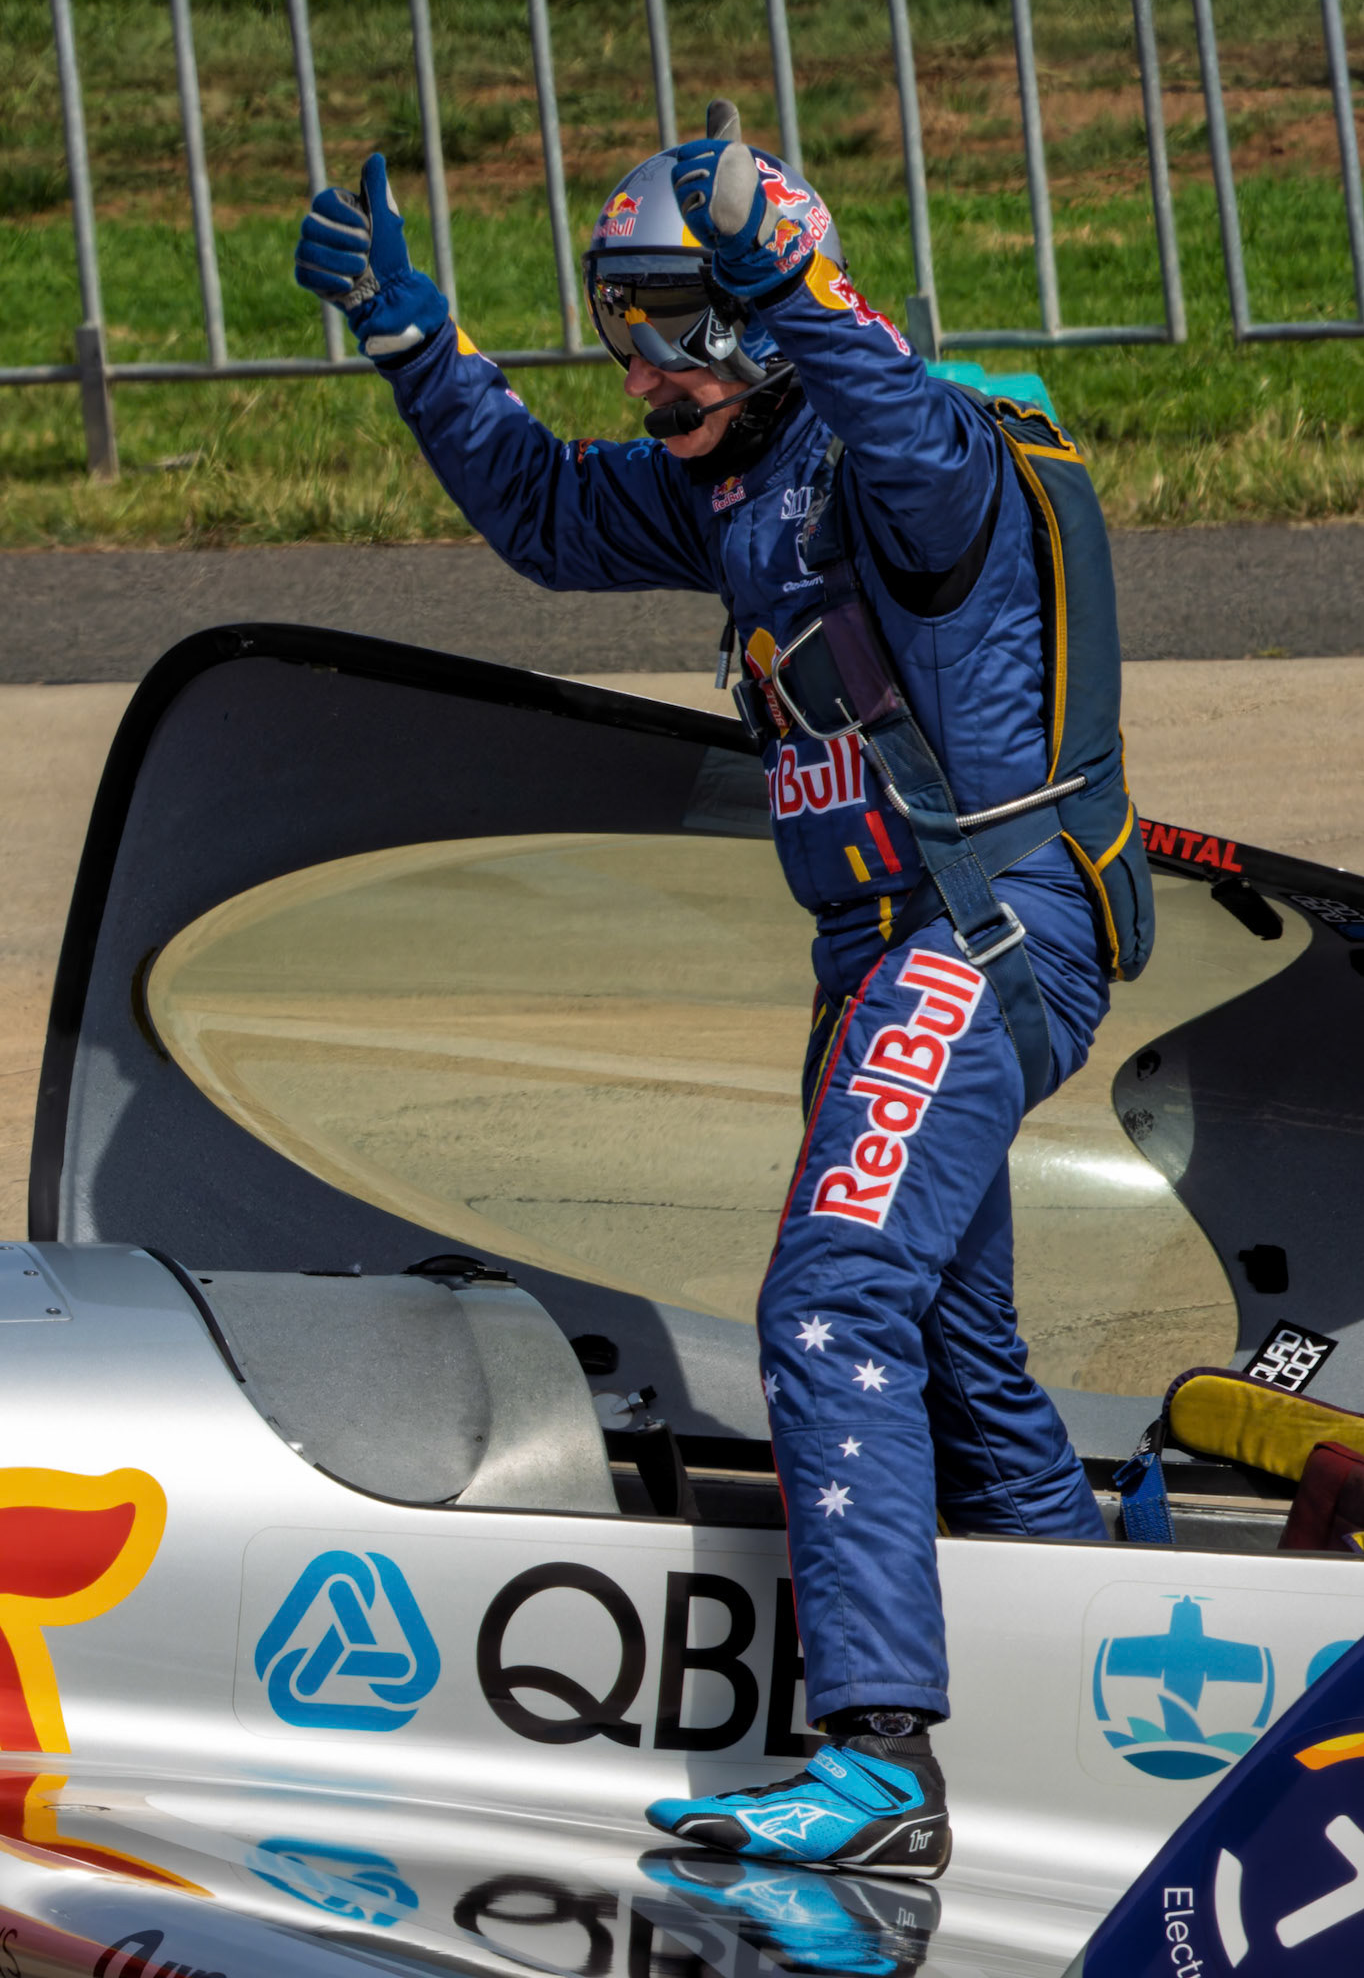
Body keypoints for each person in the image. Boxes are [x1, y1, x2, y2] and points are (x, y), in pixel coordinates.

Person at [294, 103, 1119, 1876]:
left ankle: (879, 1761)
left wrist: (805, 290)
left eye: (668, 320)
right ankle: (1100, 1684)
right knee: (953, 1355)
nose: (638, 366)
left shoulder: (913, 455)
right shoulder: (747, 479)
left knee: (827, 1299)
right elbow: (541, 516)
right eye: (613, 324)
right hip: (883, 955)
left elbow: (892, 423)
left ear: (757, 307)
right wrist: (418, 346)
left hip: (976, 933)